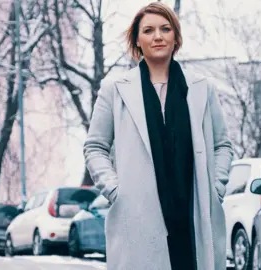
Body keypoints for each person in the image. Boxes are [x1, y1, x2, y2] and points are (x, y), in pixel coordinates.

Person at [83, 2, 233, 270]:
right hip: (138, 215)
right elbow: (95, 147)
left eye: (165, 29)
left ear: (175, 37)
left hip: (192, 212)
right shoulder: (115, 89)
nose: (158, 36)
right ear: (137, 41)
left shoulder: (201, 88)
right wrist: (117, 191)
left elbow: (223, 145)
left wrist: (215, 189)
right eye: (148, 30)